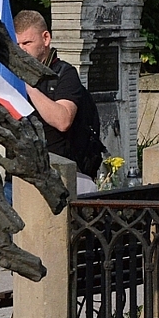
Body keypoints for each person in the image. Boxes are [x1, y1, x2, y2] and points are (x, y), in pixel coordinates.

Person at [14, 10, 103, 193]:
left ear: (45, 38)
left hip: (60, 177)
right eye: (17, 44)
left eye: (27, 43)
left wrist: (28, 86)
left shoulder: (65, 74)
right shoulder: (11, 75)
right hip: (18, 175)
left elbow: (63, 120)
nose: (21, 50)